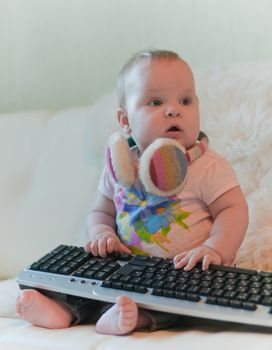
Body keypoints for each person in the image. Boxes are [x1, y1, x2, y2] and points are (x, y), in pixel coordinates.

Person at [16, 49, 248, 335]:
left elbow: (233, 209)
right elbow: (100, 211)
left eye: (185, 101)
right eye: (155, 101)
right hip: (124, 267)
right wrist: (102, 233)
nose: (174, 110)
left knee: (183, 305)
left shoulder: (208, 167)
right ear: (124, 120)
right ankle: (62, 310)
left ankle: (132, 318)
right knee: (86, 283)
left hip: (181, 273)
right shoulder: (121, 165)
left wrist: (215, 249)